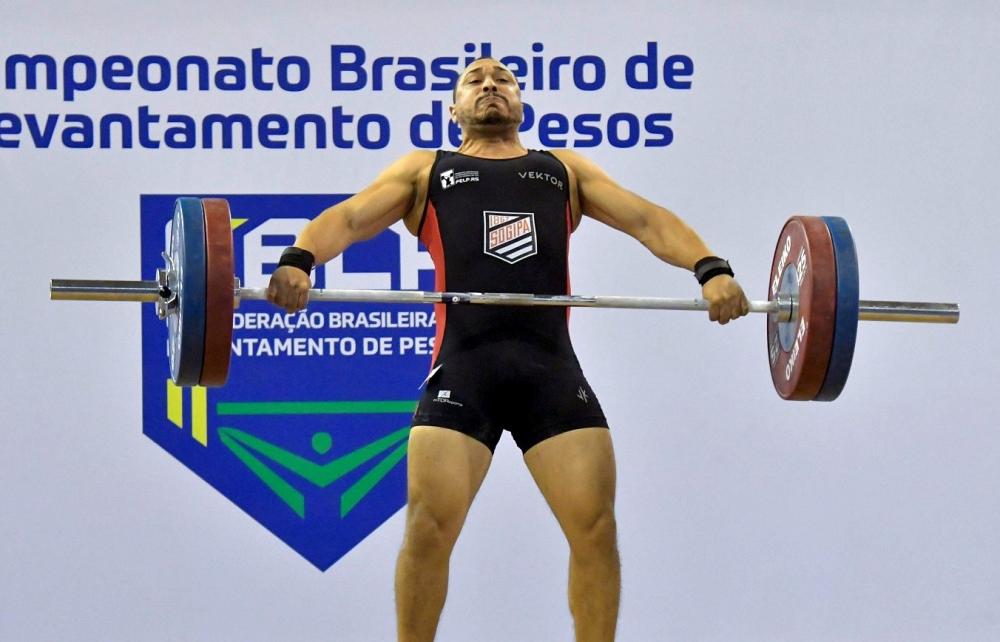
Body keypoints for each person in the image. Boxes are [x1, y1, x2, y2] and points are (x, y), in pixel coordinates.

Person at [268, 57, 749, 642]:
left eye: (503, 80)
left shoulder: (562, 171)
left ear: (521, 103)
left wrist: (710, 268)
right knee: (427, 527)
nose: (490, 85)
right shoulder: (428, 171)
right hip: (464, 368)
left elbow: (646, 220)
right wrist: (301, 257)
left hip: (549, 370)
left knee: (595, 529)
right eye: (474, 80)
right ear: (453, 110)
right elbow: (348, 218)